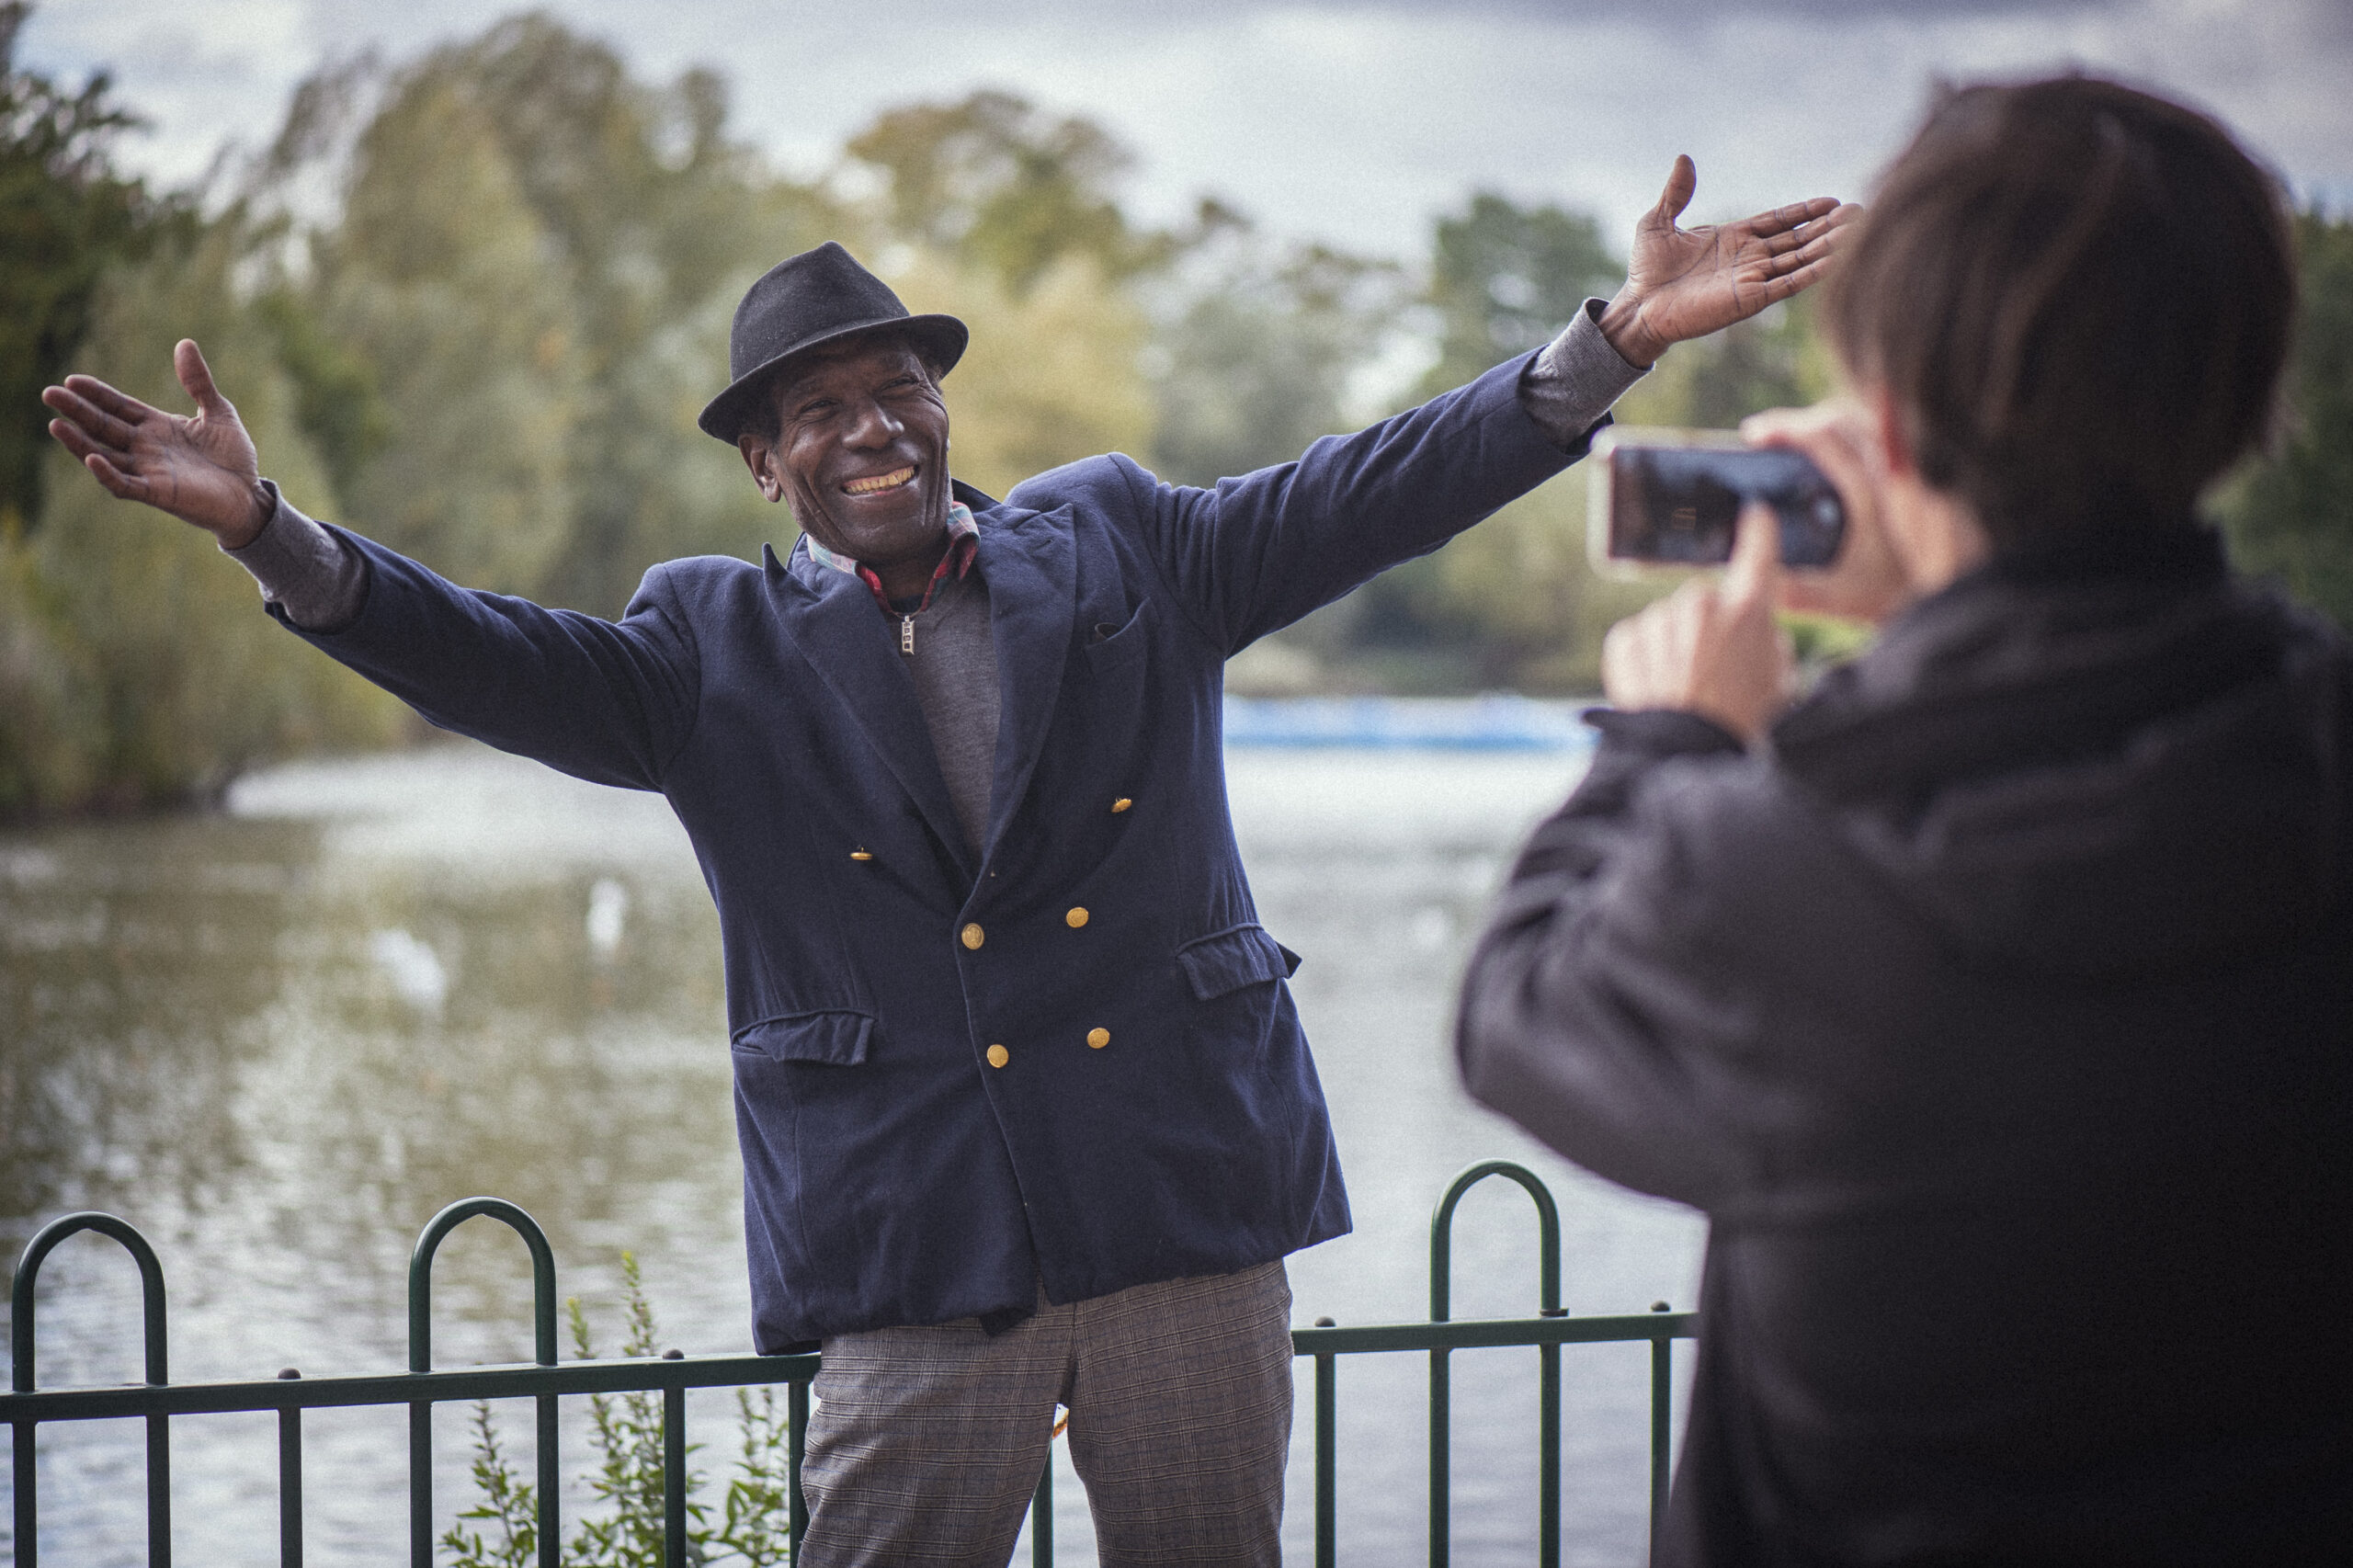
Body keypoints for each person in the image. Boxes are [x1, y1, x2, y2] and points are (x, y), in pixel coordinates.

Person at [45, 157, 1848, 1563]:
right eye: (816, 412)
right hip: (911, 1242)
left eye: (893, 386)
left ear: (940, 406)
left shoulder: (1129, 545)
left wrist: (1606, 342)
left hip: (1173, 1212)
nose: (869, 428)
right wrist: (272, 532)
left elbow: (1364, 483)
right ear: (768, 466)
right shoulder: (702, 653)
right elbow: (487, 651)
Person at [1455, 75, 2352, 1567]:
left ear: (1883, 421)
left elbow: (1517, 1007)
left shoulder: (1777, 879)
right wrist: (1959, 579)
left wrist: (1673, 743)